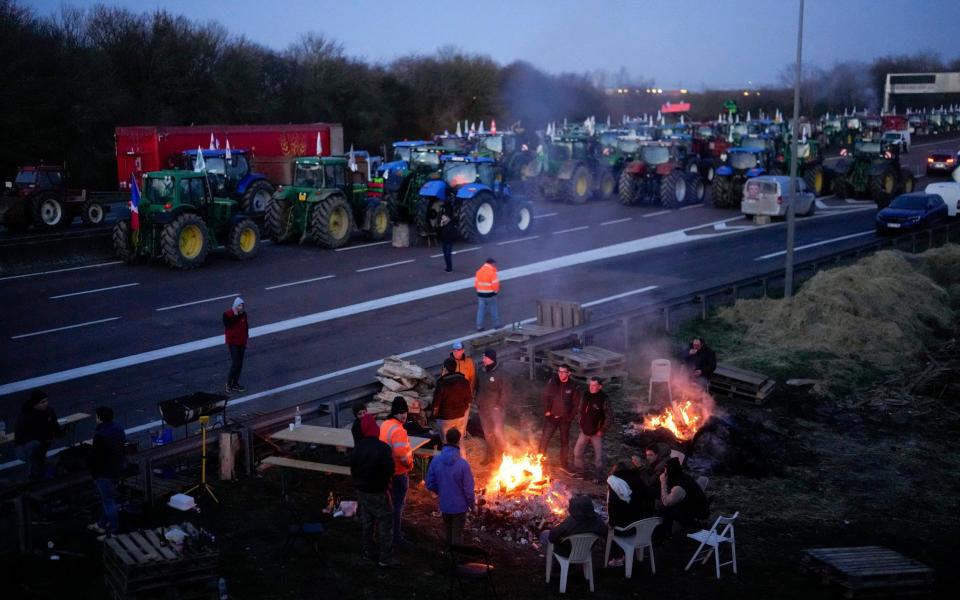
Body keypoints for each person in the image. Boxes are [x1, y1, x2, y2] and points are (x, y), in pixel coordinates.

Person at [351, 414, 398, 567]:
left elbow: (353, 469)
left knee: (367, 523)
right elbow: (390, 469)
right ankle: (385, 558)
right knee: (385, 524)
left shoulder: (358, 448)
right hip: (379, 492)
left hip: (362, 492)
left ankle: (367, 552)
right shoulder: (383, 448)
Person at [425, 428, 476, 547]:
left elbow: (429, 483)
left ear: (446, 440)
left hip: (445, 506)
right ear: (459, 442)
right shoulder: (463, 464)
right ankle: (455, 562)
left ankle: (449, 557)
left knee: (448, 533)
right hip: (460, 508)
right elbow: (468, 490)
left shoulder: (436, 460)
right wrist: (472, 505)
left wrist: (441, 491)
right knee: (456, 536)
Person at [605, 461, 655, 566]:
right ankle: (636, 556)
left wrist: (611, 523)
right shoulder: (639, 481)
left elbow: (612, 506)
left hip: (626, 529)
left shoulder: (615, 483)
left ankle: (617, 557)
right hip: (643, 528)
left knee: (606, 529)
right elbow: (649, 499)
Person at [87, 406, 126, 539]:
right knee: (108, 499)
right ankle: (101, 524)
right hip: (117, 468)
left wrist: (94, 475)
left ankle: (114, 530)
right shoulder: (118, 428)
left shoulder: (100, 435)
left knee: (108, 501)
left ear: (99, 418)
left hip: (104, 472)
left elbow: (95, 458)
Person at [379, 397, 414, 545]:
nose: (404, 415)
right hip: (398, 472)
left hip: (385, 471)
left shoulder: (386, 424)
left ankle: (388, 531)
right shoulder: (399, 430)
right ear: (395, 413)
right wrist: (409, 465)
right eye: (401, 413)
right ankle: (396, 537)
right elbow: (401, 454)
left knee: (388, 504)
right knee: (398, 506)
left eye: (405, 412)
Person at [538, 364, 581, 475]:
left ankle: (564, 464)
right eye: (559, 372)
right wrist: (547, 410)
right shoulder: (553, 382)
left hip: (564, 420)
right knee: (544, 439)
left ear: (569, 373)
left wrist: (569, 418)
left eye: (563, 372)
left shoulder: (573, 386)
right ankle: (538, 462)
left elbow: (576, 405)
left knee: (564, 442)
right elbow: (546, 396)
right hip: (551, 417)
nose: (561, 374)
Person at [14, 390, 63, 482]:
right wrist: (43, 438)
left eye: (46, 401)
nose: (45, 404)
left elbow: (54, 426)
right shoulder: (25, 416)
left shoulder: (49, 411)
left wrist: (60, 433)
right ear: (34, 404)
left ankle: (45, 478)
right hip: (24, 447)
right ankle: (33, 477)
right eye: (42, 402)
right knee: (35, 452)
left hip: (42, 445)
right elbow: (21, 437)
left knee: (42, 461)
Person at [540, 494, 607, 558]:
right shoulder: (598, 520)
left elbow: (552, 537)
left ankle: (551, 558)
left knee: (544, 534)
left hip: (567, 552)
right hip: (586, 551)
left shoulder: (571, 522)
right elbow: (605, 532)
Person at [657, 457, 709, 537]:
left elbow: (666, 502)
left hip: (697, 518)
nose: (664, 472)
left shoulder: (679, 487)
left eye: (665, 470)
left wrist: (663, 482)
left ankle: (665, 536)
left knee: (664, 508)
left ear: (668, 471)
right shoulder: (683, 476)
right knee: (665, 506)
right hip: (695, 511)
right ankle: (665, 532)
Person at [431, 358, 472, 457]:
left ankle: (449, 465)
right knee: (460, 440)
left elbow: (436, 404)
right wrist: (463, 409)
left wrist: (434, 415)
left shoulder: (442, 383)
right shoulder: (464, 381)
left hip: (445, 418)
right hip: (460, 416)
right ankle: (462, 461)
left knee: (446, 443)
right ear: (455, 367)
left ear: (445, 368)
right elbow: (469, 399)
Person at [476, 349, 509, 465]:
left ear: (491, 359)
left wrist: (499, 406)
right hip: (483, 408)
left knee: (498, 433)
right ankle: (490, 456)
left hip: (496, 410)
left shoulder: (500, 373)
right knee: (487, 433)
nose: (483, 359)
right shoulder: (480, 371)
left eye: (485, 357)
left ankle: (503, 456)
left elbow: (505, 391)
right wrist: (477, 400)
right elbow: (477, 386)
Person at [573, 376, 609, 482]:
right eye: (590, 385)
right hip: (584, 431)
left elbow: (610, 417)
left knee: (599, 457)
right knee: (577, 452)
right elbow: (580, 410)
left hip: (596, 433)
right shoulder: (585, 395)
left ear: (600, 386)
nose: (591, 387)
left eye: (594, 385)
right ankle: (580, 473)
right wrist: (580, 421)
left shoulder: (603, 398)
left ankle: (598, 477)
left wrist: (602, 430)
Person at [223, 297, 249, 393]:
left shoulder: (244, 314)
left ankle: (235, 383)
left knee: (240, 364)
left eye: (242, 305)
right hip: (233, 342)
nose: (241, 307)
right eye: (239, 305)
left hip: (242, 342)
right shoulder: (227, 314)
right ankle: (229, 383)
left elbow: (246, 327)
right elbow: (228, 325)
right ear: (235, 305)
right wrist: (236, 315)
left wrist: (246, 339)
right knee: (236, 363)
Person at [474, 258, 500, 331]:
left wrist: (480, 291)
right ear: (491, 263)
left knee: (480, 311)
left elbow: (476, 284)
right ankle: (496, 325)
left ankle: (479, 327)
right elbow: (496, 285)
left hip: (480, 294)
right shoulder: (492, 272)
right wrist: (495, 292)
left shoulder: (478, 271)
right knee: (493, 309)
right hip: (490, 294)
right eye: (494, 264)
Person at [438, 203, 457, 272]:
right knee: (445, 254)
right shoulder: (443, 225)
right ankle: (447, 266)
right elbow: (439, 232)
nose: (443, 218)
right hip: (444, 241)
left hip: (449, 241)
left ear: (448, 218)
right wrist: (441, 225)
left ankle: (449, 268)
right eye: (443, 217)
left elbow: (453, 233)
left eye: (444, 217)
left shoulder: (451, 225)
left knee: (448, 254)